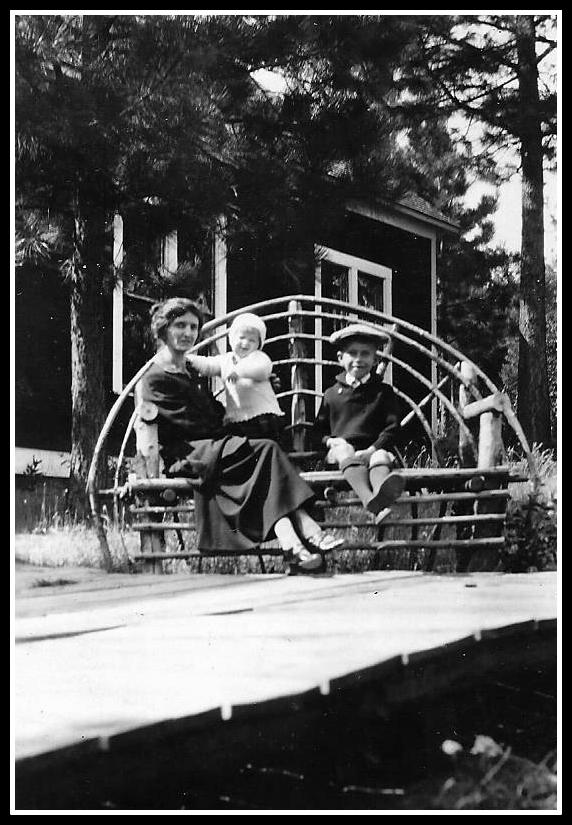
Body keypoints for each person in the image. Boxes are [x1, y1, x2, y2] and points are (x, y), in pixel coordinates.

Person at [138, 297, 342, 574]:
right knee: (267, 450)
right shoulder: (156, 376)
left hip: (212, 446)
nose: (188, 333)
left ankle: (293, 545)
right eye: (180, 325)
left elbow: (210, 410)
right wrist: (225, 421)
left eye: (193, 327)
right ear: (163, 329)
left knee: (265, 458)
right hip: (190, 454)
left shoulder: (187, 368)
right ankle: (308, 528)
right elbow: (191, 423)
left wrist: (254, 388)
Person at [313, 323, 406, 520]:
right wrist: (330, 441)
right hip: (341, 457)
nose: (358, 359)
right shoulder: (331, 394)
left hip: (371, 451)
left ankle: (380, 494)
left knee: (381, 456)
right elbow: (318, 432)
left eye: (365, 354)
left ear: (375, 359)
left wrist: (372, 449)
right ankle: (369, 500)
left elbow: (392, 428)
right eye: (352, 353)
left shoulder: (383, 392)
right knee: (344, 449)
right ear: (340, 358)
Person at [185, 312, 285, 441]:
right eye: (241, 337)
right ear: (232, 339)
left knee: (266, 441)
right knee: (242, 442)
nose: (245, 343)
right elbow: (209, 365)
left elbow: (262, 370)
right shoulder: (225, 360)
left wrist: (238, 371)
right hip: (238, 417)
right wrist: (190, 359)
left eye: (252, 340)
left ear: (259, 345)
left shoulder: (258, 358)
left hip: (262, 414)